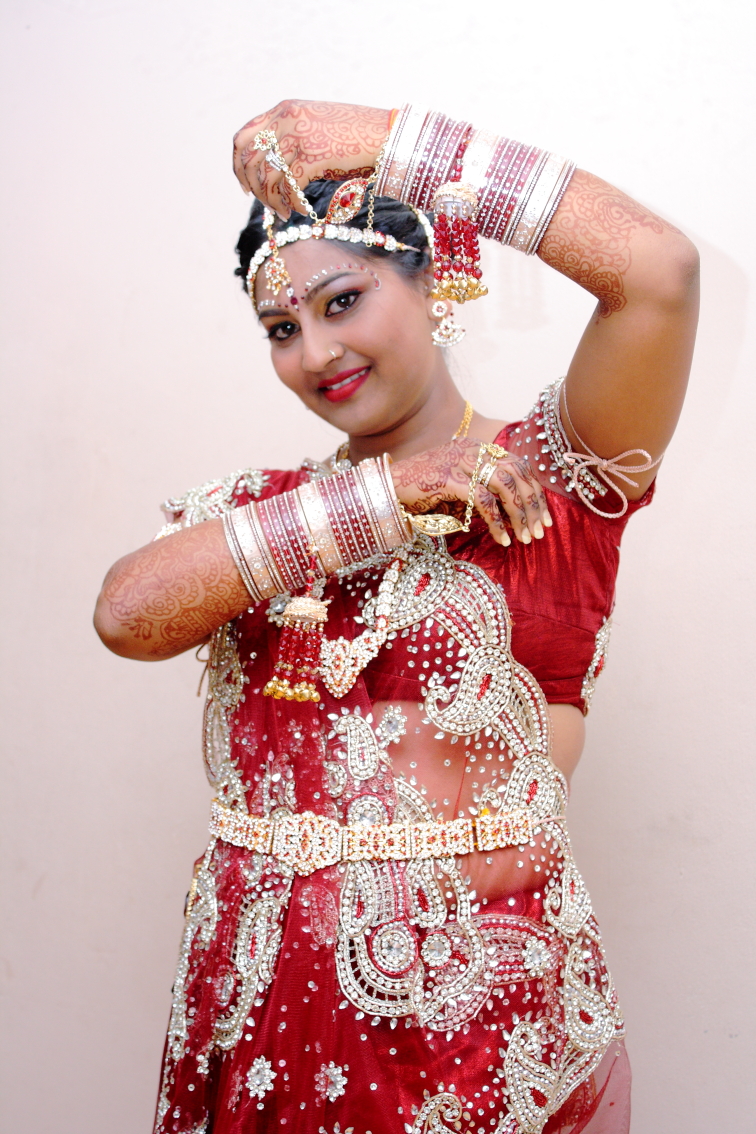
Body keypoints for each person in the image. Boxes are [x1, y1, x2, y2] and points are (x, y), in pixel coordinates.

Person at [94, 100, 699, 1134]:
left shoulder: (548, 483)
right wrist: (386, 496)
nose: (315, 350)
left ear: (434, 282)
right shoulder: (265, 516)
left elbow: (662, 274)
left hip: (474, 1046)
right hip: (265, 1024)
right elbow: (125, 614)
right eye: (282, 329)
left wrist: (390, 140)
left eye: (344, 301)